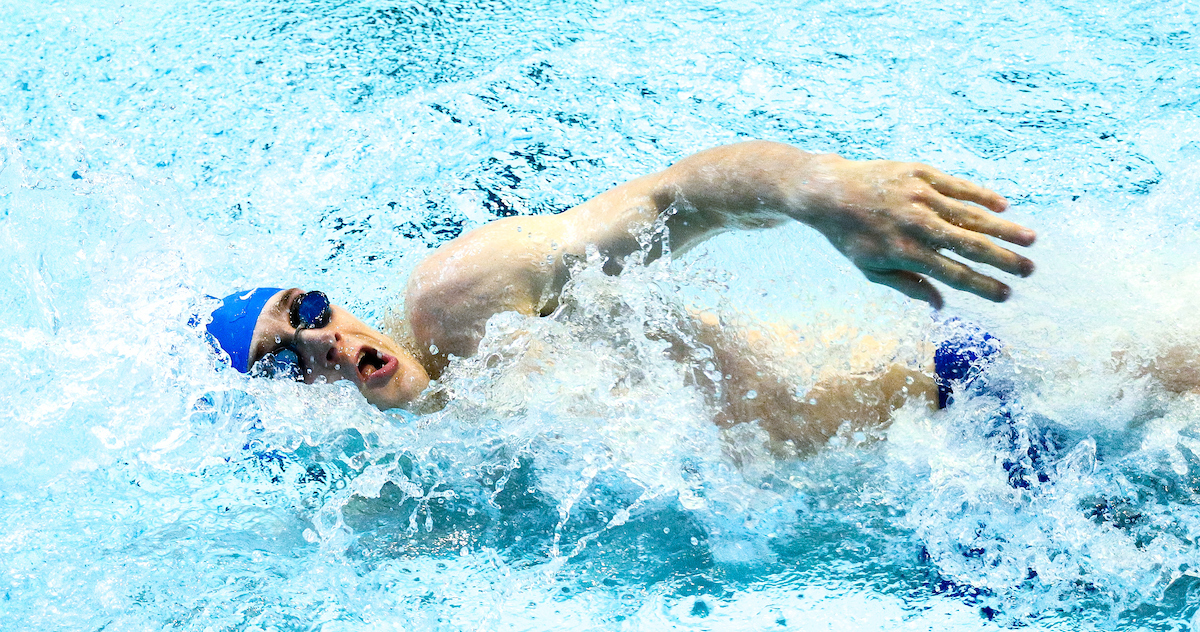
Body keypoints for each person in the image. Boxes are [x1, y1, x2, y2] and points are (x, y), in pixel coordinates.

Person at [203, 140, 1038, 454]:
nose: (325, 346)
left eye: (307, 313)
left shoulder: (461, 300)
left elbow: (676, 199)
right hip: (935, 501)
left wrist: (820, 192)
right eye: (284, 365)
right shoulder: (411, 482)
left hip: (964, 385)